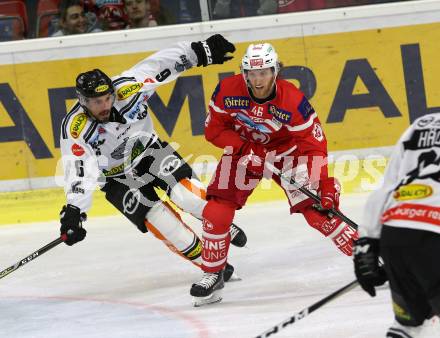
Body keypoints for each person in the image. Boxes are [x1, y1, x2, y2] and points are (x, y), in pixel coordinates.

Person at [59, 34, 246, 282]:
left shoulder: (129, 87)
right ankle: (212, 265)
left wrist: (199, 51)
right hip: (117, 179)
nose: (104, 105)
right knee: (164, 224)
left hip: (151, 152)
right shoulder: (75, 127)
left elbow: (160, 65)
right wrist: (74, 211)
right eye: (95, 102)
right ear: (83, 101)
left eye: (106, 98)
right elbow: (78, 170)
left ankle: (216, 222)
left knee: (188, 197)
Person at [189, 43, 359, 306]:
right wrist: (245, 148)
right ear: (244, 72)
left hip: (287, 154)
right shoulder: (227, 90)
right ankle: (213, 273)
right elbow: (213, 131)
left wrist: (322, 182)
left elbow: (314, 144)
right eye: (252, 73)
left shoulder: (292, 99)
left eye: (264, 73)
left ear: (275, 71)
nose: (257, 80)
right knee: (216, 211)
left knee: (317, 212)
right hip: (243, 151)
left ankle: (368, 257)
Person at [353, 113, 440, 338]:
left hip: (396, 232)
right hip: (435, 236)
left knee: (409, 324)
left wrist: (366, 243)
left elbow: (386, 187)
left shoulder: (422, 125)